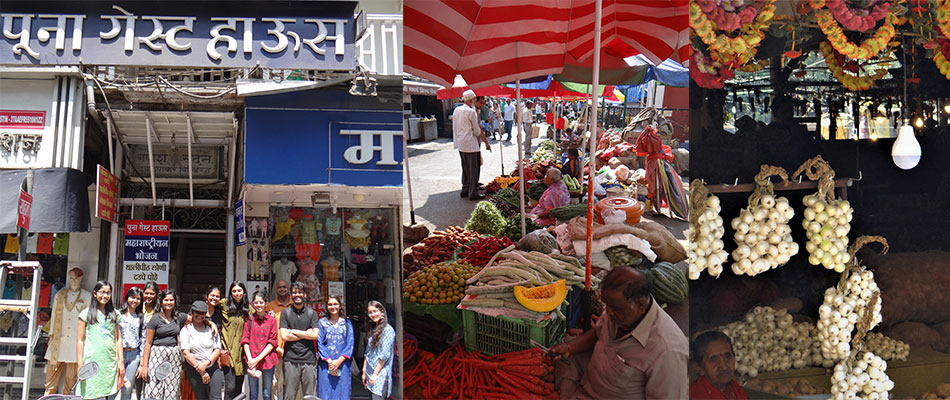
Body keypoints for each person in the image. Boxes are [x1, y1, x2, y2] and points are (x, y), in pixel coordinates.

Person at [550, 267, 688, 399]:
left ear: (640, 305)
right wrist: (570, 348)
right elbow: (598, 332)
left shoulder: (667, 352)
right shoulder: (620, 311)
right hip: (591, 376)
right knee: (566, 346)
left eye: (615, 308)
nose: (608, 312)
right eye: (607, 305)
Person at [76, 280, 124, 399]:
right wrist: (80, 363)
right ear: (94, 293)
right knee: (90, 392)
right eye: (102, 292)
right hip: (91, 360)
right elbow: (80, 340)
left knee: (106, 392)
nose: (105, 296)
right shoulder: (85, 314)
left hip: (109, 361)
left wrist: (120, 361)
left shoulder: (115, 314)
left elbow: (118, 339)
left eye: (108, 293)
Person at [138, 289, 189, 399]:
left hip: (174, 355)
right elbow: (148, 343)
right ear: (161, 301)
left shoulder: (179, 317)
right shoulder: (155, 319)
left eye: (171, 300)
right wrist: (145, 366)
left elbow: (196, 318)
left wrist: (209, 323)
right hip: (157, 355)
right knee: (154, 387)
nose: (169, 302)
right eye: (166, 300)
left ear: (175, 302)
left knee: (172, 387)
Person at [280, 282, 320, 399]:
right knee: (289, 395)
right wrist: (306, 333)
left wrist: (293, 331)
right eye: (294, 292)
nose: (297, 295)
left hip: (309, 359)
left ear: (305, 295)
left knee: (310, 396)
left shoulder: (311, 313)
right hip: (290, 359)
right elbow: (284, 336)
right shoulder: (285, 313)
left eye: (300, 292)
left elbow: (315, 335)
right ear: (291, 295)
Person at [180, 300, 224, 400]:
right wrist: (201, 371)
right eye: (197, 312)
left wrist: (206, 364)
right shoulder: (186, 330)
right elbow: (186, 353)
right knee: (201, 397)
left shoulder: (212, 329)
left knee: (215, 398)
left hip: (212, 366)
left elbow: (217, 349)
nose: (200, 315)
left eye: (203, 313)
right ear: (192, 313)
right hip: (194, 368)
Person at [453, 89, 491, 200]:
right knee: (474, 169)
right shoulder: (471, 112)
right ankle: (473, 193)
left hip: (461, 143)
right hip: (470, 143)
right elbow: (476, 131)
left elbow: (455, 127)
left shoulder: (457, 110)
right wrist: (482, 137)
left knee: (465, 168)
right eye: (474, 99)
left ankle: (465, 188)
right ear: (471, 100)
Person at [689, 331, 748, 400]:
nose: (724, 367)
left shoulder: (736, 390)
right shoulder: (696, 396)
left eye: (728, 356)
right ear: (699, 368)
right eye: (713, 360)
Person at [243, 291, 279, 400]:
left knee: (267, 393)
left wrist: (257, 359)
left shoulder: (271, 319)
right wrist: (250, 360)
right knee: (253, 393)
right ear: (252, 303)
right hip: (251, 358)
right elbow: (245, 340)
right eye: (256, 303)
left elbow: (272, 341)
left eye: (261, 302)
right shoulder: (249, 319)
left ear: (266, 303)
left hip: (267, 359)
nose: (258, 305)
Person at [317, 296, 354, 400]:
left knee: (342, 392)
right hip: (326, 364)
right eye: (330, 304)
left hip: (343, 364)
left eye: (335, 304)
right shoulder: (322, 323)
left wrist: (338, 362)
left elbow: (350, 343)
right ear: (326, 306)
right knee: (325, 392)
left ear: (340, 306)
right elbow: (319, 343)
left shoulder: (347, 323)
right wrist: (330, 362)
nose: (333, 307)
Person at [221, 282, 249, 400]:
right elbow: (209, 309)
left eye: (239, 291)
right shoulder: (224, 304)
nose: (237, 293)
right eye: (234, 291)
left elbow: (261, 313)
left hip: (241, 353)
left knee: (238, 388)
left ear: (244, 292)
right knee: (230, 387)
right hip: (228, 352)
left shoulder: (248, 308)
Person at [265, 280, 292, 400]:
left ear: (289, 288)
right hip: (276, 351)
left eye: (284, 287)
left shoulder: (295, 305)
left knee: (292, 383)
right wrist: (276, 347)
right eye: (279, 287)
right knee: (274, 383)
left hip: (293, 351)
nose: (282, 289)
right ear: (276, 290)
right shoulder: (269, 307)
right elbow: (265, 330)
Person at [363, 301, 394, 400]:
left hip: (380, 376)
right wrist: (364, 371)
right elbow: (368, 352)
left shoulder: (387, 330)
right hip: (370, 373)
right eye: (370, 312)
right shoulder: (374, 329)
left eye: (375, 311)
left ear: (382, 312)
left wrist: (375, 374)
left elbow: (384, 355)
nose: (373, 315)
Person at [118, 287, 146, 400]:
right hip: (119, 354)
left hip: (134, 355)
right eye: (133, 297)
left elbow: (143, 339)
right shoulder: (118, 314)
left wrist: (142, 363)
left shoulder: (141, 317)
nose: (135, 301)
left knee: (127, 389)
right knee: (114, 386)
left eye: (138, 298)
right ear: (127, 298)